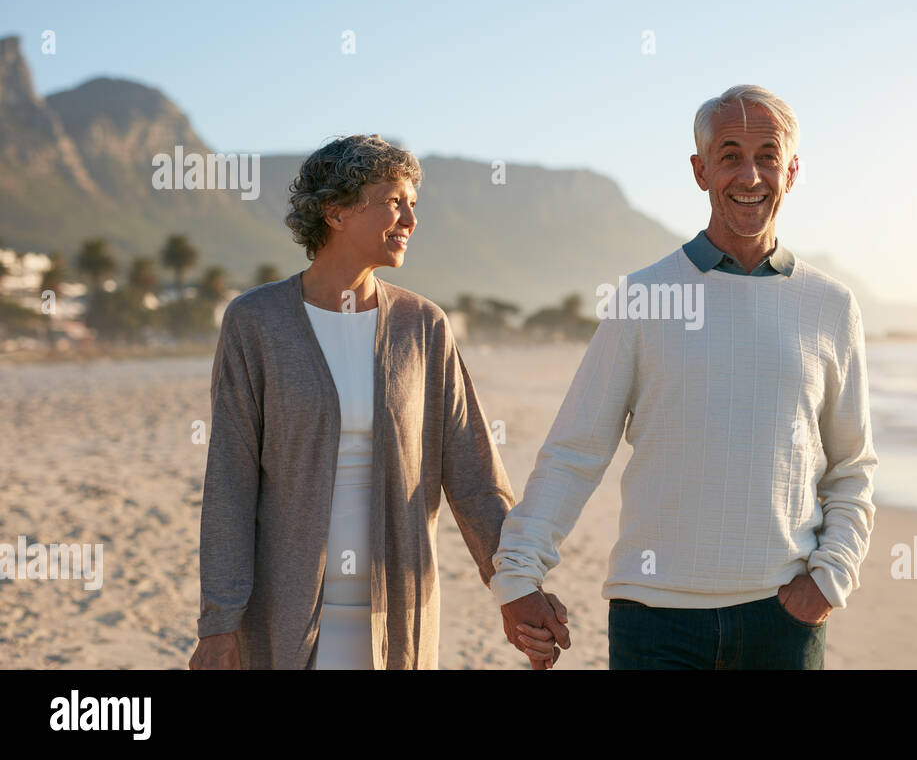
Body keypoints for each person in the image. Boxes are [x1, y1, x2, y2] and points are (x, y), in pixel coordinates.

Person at [492, 85, 879, 669]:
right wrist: (518, 573)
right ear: (700, 171)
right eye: (729, 155)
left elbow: (851, 466)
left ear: (792, 171)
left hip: (783, 622)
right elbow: (576, 451)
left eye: (767, 156)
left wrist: (830, 579)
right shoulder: (644, 297)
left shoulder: (830, 305)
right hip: (655, 621)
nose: (750, 175)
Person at [188, 134, 565, 670]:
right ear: (335, 210)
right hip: (286, 615)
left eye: (413, 204)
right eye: (394, 201)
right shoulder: (256, 322)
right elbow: (230, 480)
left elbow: (475, 473)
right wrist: (220, 623)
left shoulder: (423, 325)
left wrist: (517, 584)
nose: (411, 219)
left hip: (396, 616)